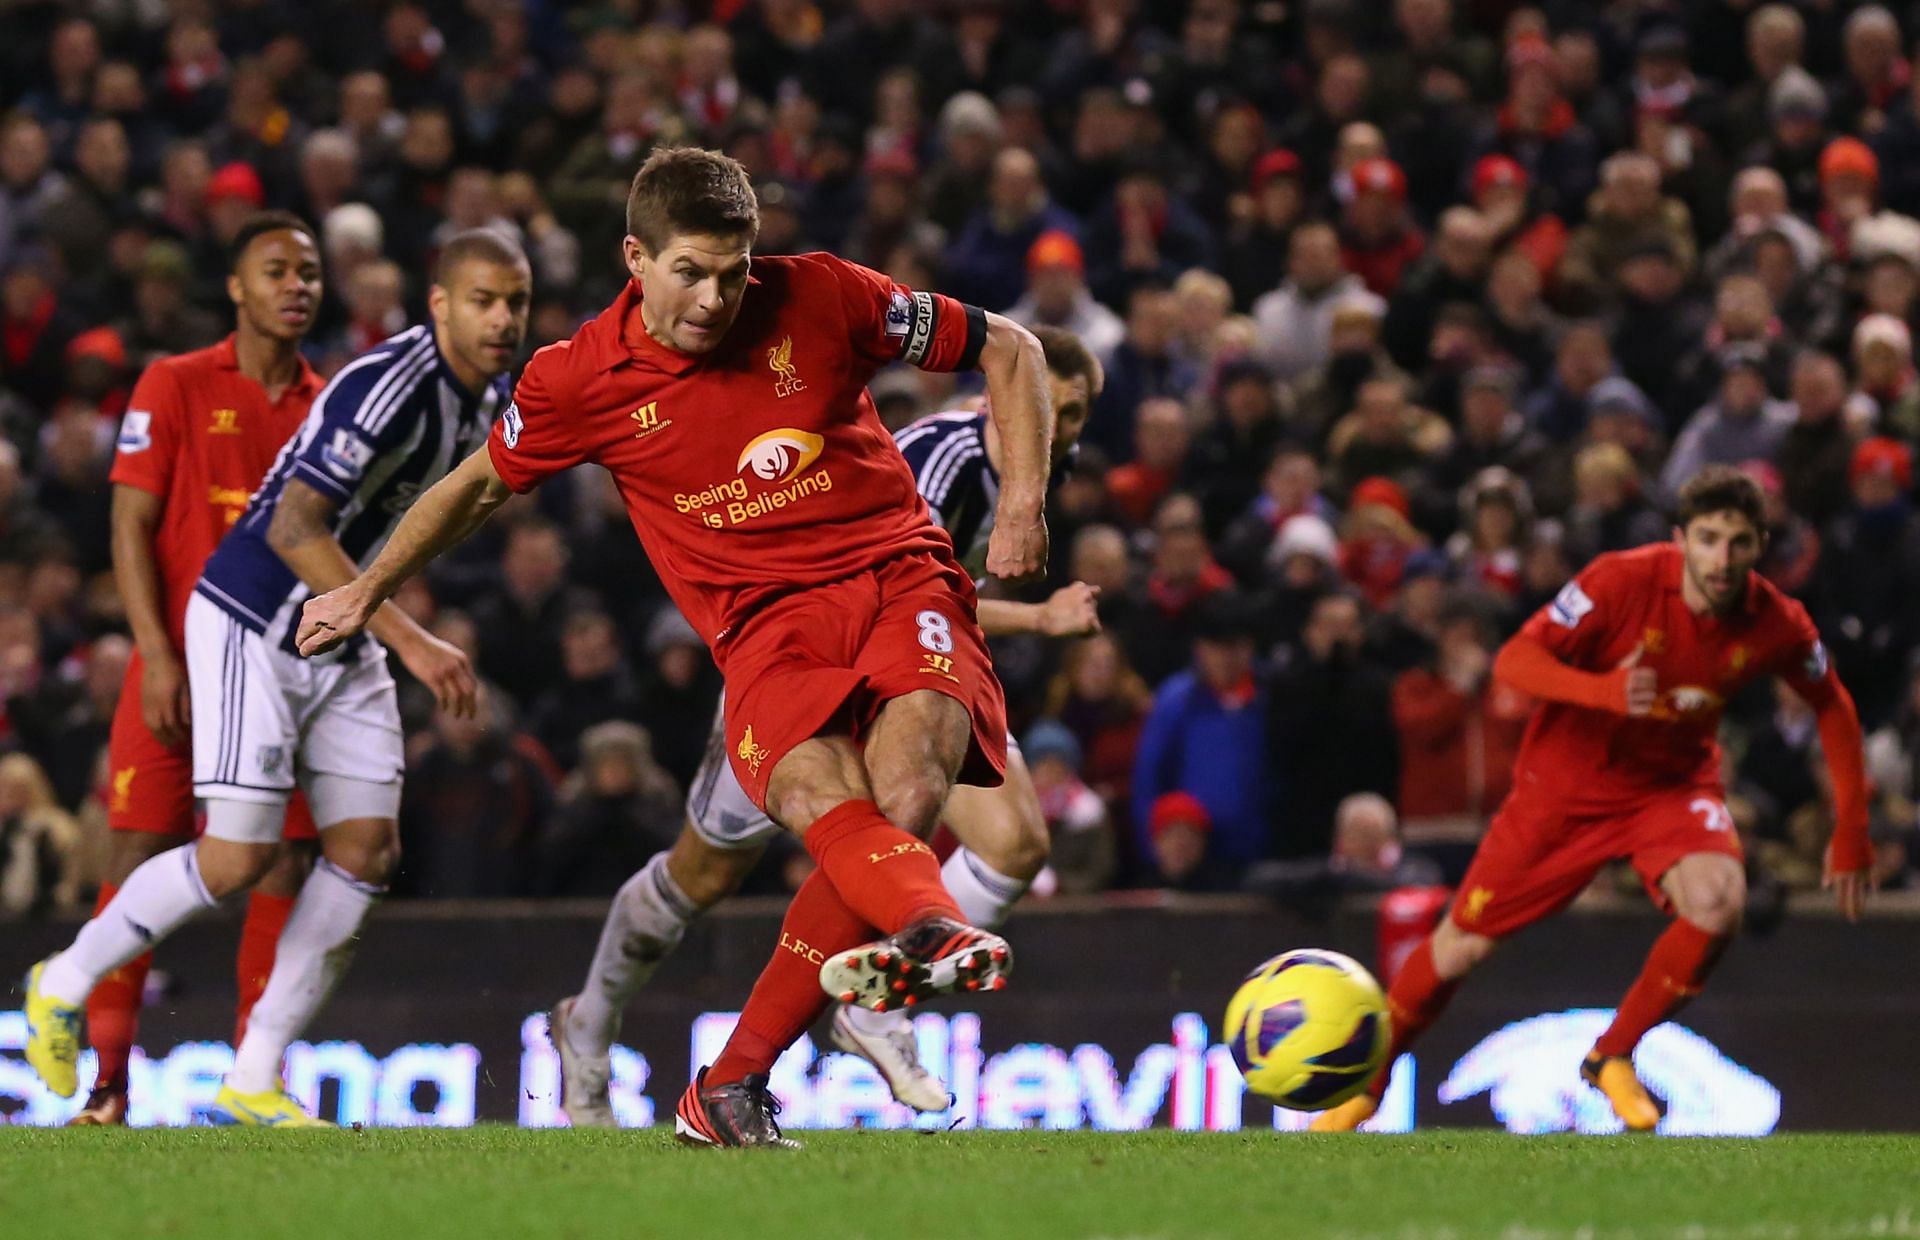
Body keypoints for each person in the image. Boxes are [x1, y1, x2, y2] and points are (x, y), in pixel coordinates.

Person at [291, 147, 1053, 1148]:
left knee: (910, 783)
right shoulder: (579, 378)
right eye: (689, 272)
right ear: (635, 259)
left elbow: (1015, 350)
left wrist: (1024, 506)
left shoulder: (826, 294)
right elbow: (477, 485)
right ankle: (744, 1072)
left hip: (894, 575)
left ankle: (904, 937)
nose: (713, 297)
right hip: (763, 629)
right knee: (816, 798)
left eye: (732, 273)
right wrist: (368, 585)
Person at [22, 228, 528, 1126]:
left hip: (338, 626)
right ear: (440, 302)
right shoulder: (390, 387)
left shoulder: (481, 395)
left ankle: (253, 1076)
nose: (502, 319)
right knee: (238, 856)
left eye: (516, 302)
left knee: (367, 850)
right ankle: (62, 980)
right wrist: (413, 640)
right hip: (253, 616)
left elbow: (452, 503)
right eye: (484, 300)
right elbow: (295, 529)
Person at [546, 326, 1102, 1126]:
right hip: (803, 657)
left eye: (1073, 416)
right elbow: (900, 575)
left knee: (1011, 840)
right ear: (994, 396)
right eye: (1054, 406)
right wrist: (1043, 621)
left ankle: (873, 1002)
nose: (1059, 429)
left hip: (910, 670)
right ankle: (589, 1020)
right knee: (702, 875)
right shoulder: (941, 457)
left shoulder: (1036, 461)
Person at [1312, 467, 1873, 1133]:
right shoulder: (1620, 580)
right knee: (1460, 947)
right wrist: (1605, 691)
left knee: (1720, 902)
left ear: (1760, 547)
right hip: (1565, 789)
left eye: (1739, 543)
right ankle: (1367, 1091)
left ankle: (1613, 1056)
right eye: (1708, 539)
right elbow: (1516, 660)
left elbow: (1832, 705)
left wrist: (1852, 827)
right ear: (1681, 539)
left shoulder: (1776, 620)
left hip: (1671, 788)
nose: (1722, 559)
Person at [63, 211, 326, 1126]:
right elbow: (130, 526)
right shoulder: (171, 383)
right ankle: (106, 1084)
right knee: (135, 852)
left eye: (308, 271)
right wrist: (154, 653)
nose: (296, 284)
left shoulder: (330, 405)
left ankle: (256, 1077)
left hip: (280, 676)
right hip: (175, 665)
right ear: (236, 288)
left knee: (285, 859)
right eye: (275, 269)